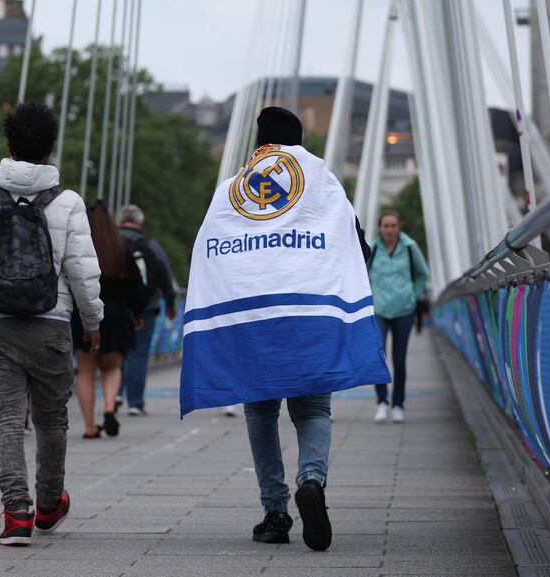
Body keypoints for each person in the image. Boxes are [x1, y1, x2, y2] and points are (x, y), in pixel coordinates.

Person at [180, 107, 390, 551]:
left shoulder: (231, 189)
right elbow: (359, 249)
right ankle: (311, 480)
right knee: (313, 410)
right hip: (310, 319)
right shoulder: (322, 183)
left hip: (252, 322)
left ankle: (275, 513)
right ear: (298, 142)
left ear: (259, 142)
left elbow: (209, 252)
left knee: (260, 412)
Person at [0, 103, 104, 546]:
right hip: (51, 322)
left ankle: (16, 513)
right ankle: (51, 503)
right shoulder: (69, 202)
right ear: (50, 147)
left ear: (8, 145)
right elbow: (82, 269)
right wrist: (92, 320)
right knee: (52, 418)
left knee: (5, 419)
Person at [71, 200, 148, 438]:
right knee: (112, 367)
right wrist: (137, 313)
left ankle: (89, 426)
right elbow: (137, 286)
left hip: (83, 314)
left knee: (85, 372)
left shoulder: (77, 248)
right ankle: (108, 407)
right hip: (115, 315)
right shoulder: (121, 247)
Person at [367, 210, 429, 424]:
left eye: (393, 225)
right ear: (379, 228)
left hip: (404, 310)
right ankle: (382, 402)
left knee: (400, 359)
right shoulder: (373, 248)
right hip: (379, 310)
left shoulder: (410, 248)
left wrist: (412, 295)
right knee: (379, 356)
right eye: (386, 226)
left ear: (399, 227)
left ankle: (398, 404)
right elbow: (360, 272)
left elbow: (423, 274)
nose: (390, 229)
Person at [118, 204, 177, 415]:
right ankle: (135, 402)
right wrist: (170, 303)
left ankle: (114, 395)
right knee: (138, 353)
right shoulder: (151, 245)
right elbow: (165, 276)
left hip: (113, 306)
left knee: (116, 352)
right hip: (146, 307)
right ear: (140, 221)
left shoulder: (107, 242)